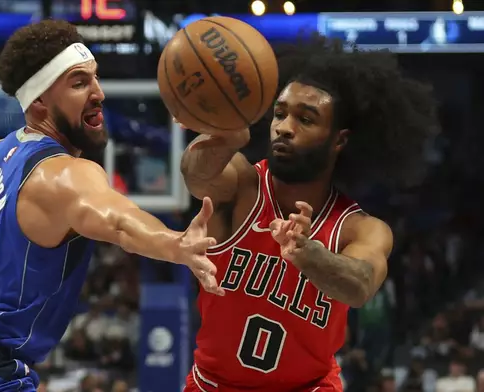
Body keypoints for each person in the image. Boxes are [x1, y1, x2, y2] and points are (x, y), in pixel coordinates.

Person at [0, 20, 222, 392]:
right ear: (38, 101)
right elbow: (117, 221)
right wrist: (173, 244)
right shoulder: (65, 174)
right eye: (79, 83)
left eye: (95, 78)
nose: (98, 93)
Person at [180, 35, 440, 391]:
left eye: (306, 119)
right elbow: (196, 174)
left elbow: (360, 285)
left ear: (339, 140)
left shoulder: (360, 229)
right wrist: (224, 136)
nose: (285, 127)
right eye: (280, 113)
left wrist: (311, 255)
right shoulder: (242, 185)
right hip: (212, 385)